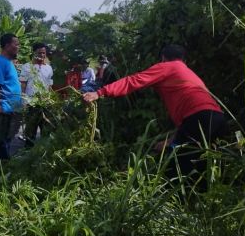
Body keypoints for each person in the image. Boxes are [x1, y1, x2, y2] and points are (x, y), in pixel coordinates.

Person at [82, 44, 227, 174]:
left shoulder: (168, 66)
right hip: (217, 119)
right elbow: (193, 118)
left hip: (198, 119)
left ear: (163, 58)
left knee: (175, 167)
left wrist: (99, 93)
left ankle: (177, 201)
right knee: (204, 167)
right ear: (184, 60)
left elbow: (133, 81)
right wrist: (171, 140)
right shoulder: (190, 74)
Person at [0, 33, 22, 159]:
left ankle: (1, 168)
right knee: (1, 145)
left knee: (6, 141)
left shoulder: (8, 62)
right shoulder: (0, 62)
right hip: (3, 109)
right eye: (16, 44)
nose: (18, 47)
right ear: (7, 46)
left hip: (10, 108)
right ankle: (2, 169)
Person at [20, 42, 54, 146]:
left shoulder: (49, 68)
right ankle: (28, 153)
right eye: (39, 53)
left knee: (46, 130)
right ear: (34, 53)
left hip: (45, 103)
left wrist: (51, 100)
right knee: (31, 131)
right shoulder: (27, 67)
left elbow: (49, 86)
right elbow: (23, 85)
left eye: (44, 53)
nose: (42, 55)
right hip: (32, 104)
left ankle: (42, 154)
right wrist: (23, 102)